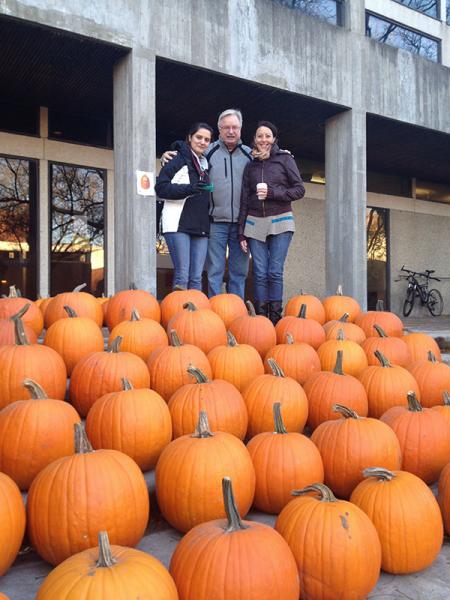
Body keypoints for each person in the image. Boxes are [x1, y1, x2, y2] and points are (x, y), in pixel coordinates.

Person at [161, 109, 252, 298]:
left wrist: (283, 153)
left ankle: (236, 317)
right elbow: (187, 150)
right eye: (226, 127)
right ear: (219, 129)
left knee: (238, 274)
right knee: (213, 273)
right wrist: (169, 154)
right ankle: (213, 314)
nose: (230, 131)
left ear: (241, 129)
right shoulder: (207, 151)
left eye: (235, 127)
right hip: (214, 222)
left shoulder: (250, 155)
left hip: (242, 225)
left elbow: (270, 157)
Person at [238, 120, 305, 324]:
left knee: (274, 272)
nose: (263, 139)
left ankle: (275, 319)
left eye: (267, 136)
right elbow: (244, 200)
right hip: (254, 222)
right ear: (254, 140)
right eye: (260, 136)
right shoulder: (250, 166)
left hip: (281, 220)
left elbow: (299, 189)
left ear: (274, 139)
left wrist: (273, 192)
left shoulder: (285, 159)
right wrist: (241, 232)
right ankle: (260, 320)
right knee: (259, 273)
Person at [155, 122, 214, 291]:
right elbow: (161, 188)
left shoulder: (205, 164)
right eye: (199, 137)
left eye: (207, 139)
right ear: (190, 137)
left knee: (196, 278)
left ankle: (194, 316)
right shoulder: (177, 159)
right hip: (177, 224)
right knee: (182, 275)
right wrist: (190, 189)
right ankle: (179, 316)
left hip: (201, 225)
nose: (202, 142)